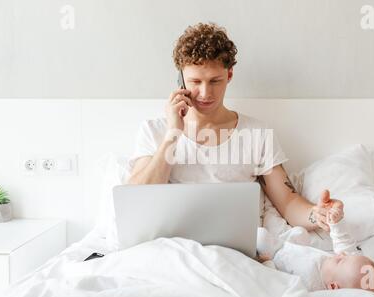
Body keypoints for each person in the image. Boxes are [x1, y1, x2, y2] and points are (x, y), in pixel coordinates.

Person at [128, 22, 342, 233]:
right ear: (181, 80)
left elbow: (287, 202)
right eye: (195, 81)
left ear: (229, 75)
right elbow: (135, 202)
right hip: (175, 249)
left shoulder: (257, 134)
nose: (205, 93)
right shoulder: (154, 131)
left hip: (232, 255)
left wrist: (317, 214)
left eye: (214, 81)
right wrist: (173, 134)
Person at [256, 203, 374, 297]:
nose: (341, 254)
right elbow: (346, 246)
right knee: (300, 232)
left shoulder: (310, 286)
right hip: (295, 247)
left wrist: (267, 265)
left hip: (276, 256)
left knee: (260, 235)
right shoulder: (344, 267)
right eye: (347, 256)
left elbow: (282, 283)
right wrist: (336, 224)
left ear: (333, 287)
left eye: (340, 261)